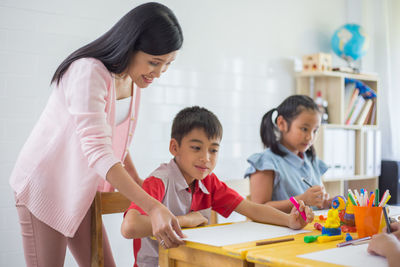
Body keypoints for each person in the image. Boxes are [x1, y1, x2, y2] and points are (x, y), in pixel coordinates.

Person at [9, 3, 185, 267]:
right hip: (45, 186)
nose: (158, 73)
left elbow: (113, 143)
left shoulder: (133, 81)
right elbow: (99, 151)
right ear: (131, 45)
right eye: (154, 62)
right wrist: (152, 206)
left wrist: (139, 184)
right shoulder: (88, 71)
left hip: (80, 188)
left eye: (167, 64)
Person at [121, 106, 314, 267]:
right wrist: (184, 220)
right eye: (196, 148)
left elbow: (252, 208)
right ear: (174, 147)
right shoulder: (159, 181)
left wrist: (289, 221)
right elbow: (129, 227)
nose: (206, 158)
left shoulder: (208, 181)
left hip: (193, 262)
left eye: (213, 150)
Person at [244, 95, 332, 213]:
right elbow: (258, 210)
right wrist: (302, 200)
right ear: (281, 123)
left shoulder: (312, 161)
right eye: (304, 129)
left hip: (309, 229)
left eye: (315, 131)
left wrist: (325, 202)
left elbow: (315, 205)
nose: (310, 137)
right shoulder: (266, 162)